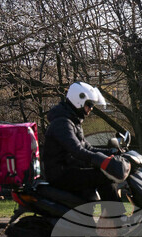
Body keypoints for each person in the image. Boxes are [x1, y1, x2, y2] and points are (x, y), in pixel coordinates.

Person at [43, 82, 130, 228]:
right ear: (79, 100)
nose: (90, 109)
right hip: (60, 174)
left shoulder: (71, 121)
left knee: (101, 179)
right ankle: (115, 221)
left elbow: (87, 147)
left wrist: (111, 153)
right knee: (104, 176)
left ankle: (104, 223)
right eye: (89, 105)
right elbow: (77, 150)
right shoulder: (62, 123)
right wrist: (101, 161)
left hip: (67, 170)